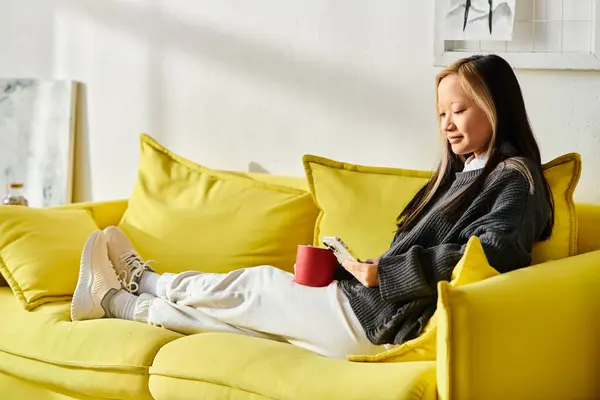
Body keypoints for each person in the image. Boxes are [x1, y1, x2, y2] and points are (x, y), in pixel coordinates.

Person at [70, 54, 554, 359]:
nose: (448, 125)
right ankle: (119, 303)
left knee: (253, 285)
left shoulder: (516, 178)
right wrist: (357, 267)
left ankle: (146, 279)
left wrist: (382, 273)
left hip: (379, 322)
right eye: (442, 114)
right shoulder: (466, 173)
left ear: (495, 105)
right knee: (230, 329)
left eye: (461, 110)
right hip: (373, 318)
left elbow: (494, 253)